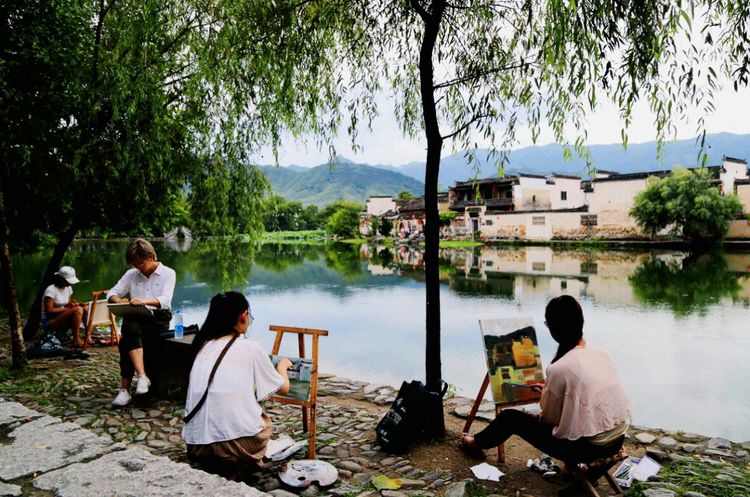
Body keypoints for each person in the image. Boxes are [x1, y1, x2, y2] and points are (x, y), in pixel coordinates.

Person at [461, 295, 630, 472]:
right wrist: (551, 391)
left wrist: (547, 396)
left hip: (589, 449)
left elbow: (549, 419)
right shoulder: (601, 353)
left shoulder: (560, 368)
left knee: (510, 418)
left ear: (554, 329)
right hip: (617, 440)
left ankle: (475, 443)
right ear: (581, 322)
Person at [182, 291, 292, 477]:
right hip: (234, 444)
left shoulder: (202, 346)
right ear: (243, 315)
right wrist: (283, 366)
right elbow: (283, 389)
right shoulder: (249, 347)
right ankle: (240, 457)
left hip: (196, 445)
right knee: (262, 411)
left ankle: (223, 459)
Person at [107, 238, 176, 407]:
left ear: (151, 256)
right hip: (136, 317)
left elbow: (165, 301)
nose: (138, 267)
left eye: (141, 263)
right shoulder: (131, 274)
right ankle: (141, 377)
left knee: (127, 339)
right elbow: (112, 293)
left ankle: (126, 389)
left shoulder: (168, 273)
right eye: (135, 264)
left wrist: (144, 301)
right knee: (130, 327)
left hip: (158, 318)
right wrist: (119, 300)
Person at [42, 266, 88, 347]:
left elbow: (68, 304)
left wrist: (75, 304)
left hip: (61, 316)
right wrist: (68, 309)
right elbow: (49, 311)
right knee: (78, 310)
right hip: (50, 321)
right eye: (67, 281)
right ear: (61, 279)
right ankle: (76, 340)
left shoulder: (68, 288)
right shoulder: (51, 290)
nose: (69, 283)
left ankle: (88, 336)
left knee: (84, 308)